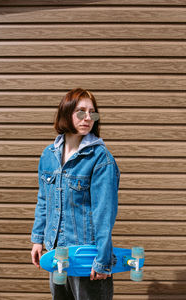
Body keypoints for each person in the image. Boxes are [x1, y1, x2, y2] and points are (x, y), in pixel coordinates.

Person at [31, 88, 120, 300]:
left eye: (92, 113)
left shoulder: (100, 158)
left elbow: (104, 214)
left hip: (86, 256)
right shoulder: (49, 155)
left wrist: (102, 259)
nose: (88, 118)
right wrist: (37, 239)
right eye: (81, 112)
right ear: (66, 113)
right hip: (57, 254)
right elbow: (44, 200)